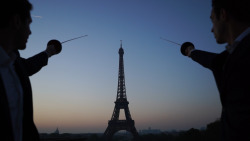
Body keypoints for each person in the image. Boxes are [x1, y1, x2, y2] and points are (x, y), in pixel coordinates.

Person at [182, 0, 250, 140]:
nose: (211, 29)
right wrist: (192, 52)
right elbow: (215, 62)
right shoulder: (235, 55)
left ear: (223, 15)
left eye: (212, 20)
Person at [0, 0, 60, 141]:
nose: (30, 31)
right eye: (29, 24)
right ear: (16, 21)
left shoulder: (13, 63)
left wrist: (48, 53)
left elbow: (26, 67)